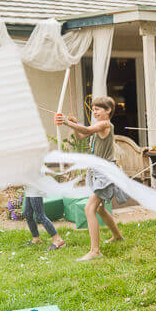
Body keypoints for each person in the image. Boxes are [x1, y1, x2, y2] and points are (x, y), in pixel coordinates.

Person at [56, 97, 127, 262]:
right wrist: (73, 125)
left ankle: (95, 251)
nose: (94, 112)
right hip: (98, 171)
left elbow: (87, 130)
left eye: (98, 109)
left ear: (108, 111)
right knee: (100, 209)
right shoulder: (97, 128)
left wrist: (67, 122)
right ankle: (117, 236)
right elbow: (81, 136)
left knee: (90, 209)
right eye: (93, 109)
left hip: (105, 171)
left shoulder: (105, 124)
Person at [23, 185, 66, 251]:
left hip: (35, 189)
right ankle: (36, 238)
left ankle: (58, 240)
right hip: (29, 189)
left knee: (40, 216)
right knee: (27, 213)